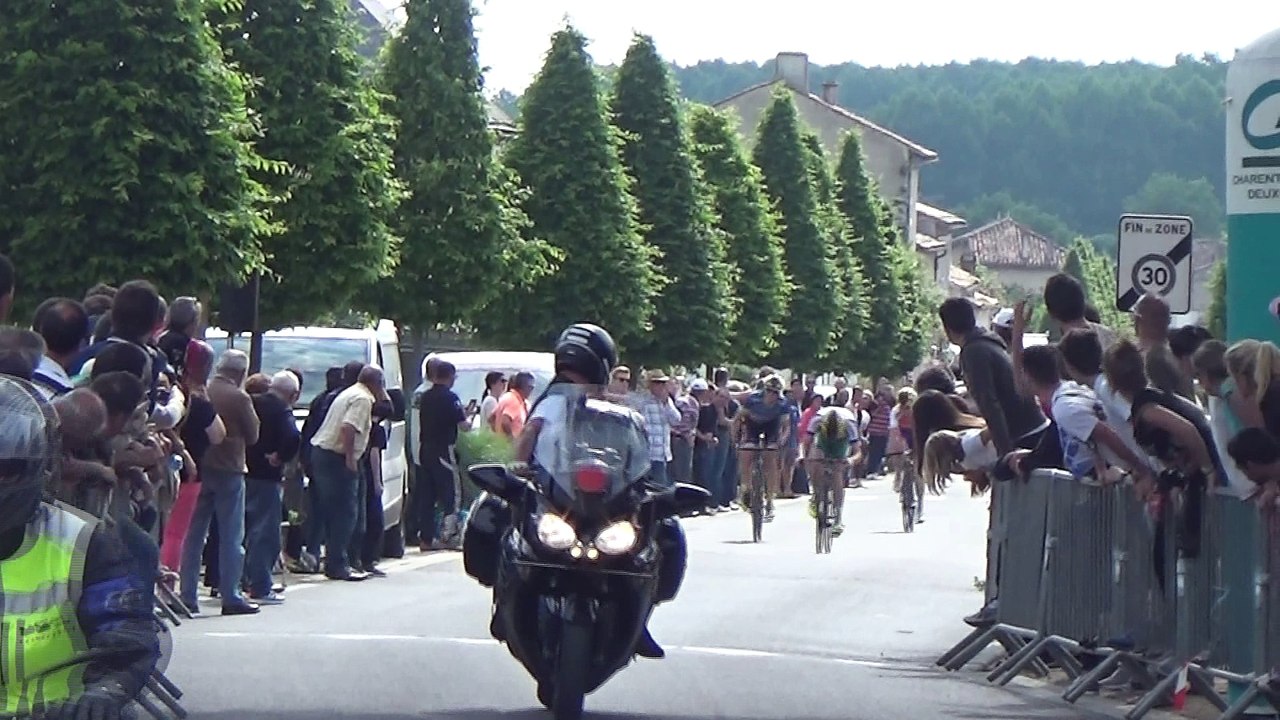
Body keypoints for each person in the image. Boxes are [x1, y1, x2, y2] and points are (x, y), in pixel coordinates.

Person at [509, 322, 683, 660]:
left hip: (604, 501)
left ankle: (639, 617)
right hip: (557, 496)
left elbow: (634, 454)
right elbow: (529, 436)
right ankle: (508, 600)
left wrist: (643, 484)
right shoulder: (553, 400)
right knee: (509, 523)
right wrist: (516, 471)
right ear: (602, 365)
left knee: (663, 533)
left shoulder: (614, 413)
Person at [0, 375, 160, 719]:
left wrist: (104, 692)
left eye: (5, 470)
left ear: (37, 468)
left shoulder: (83, 543)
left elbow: (126, 637)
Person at [939, 297, 1049, 468]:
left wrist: (1004, 452)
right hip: (1033, 424)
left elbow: (989, 403)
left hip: (1022, 433)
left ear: (948, 328)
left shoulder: (973, 352)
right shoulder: (990, 343)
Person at [310, 365, 385, 580]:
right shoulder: (363, 398)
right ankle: (338, 564)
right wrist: (350, 458)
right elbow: (348, 428)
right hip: (337, 456)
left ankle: (342, 560)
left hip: (325, 453)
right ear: (377, 384)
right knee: (345, 513)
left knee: (338, 511)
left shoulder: (350, 392)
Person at [416, 360, 473, 551]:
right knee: (451, 493)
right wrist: (469, 416)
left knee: (427, 495)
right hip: (443, 449)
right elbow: (464, 425)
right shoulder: (450, 398)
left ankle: (426, 537)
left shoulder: (425, 397)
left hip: (425, 448)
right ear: (449, 377)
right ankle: (450, 536)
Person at [733, 374, 792, 522]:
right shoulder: (753, 399)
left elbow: (786, 427)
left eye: (775, 393)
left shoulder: (782, 403)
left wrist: (781, 442)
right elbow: (737, 420)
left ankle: (770, 500)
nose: (772, 395)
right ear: (764, 390)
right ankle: (746, 489)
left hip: (771, 426)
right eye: (769, 391)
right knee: (746, 453)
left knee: (770, 459)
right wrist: (736, 440)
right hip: (753, 425)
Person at [803, 402, 861, 535]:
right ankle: (816, 493)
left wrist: (849, 460)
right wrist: (804, 459)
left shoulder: (849, 425)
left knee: (837, 472)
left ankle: (838, 517)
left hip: (841, 444)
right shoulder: (817, 420)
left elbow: (858, 452)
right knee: (815, 461)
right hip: (822, 441)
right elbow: (806, 442)